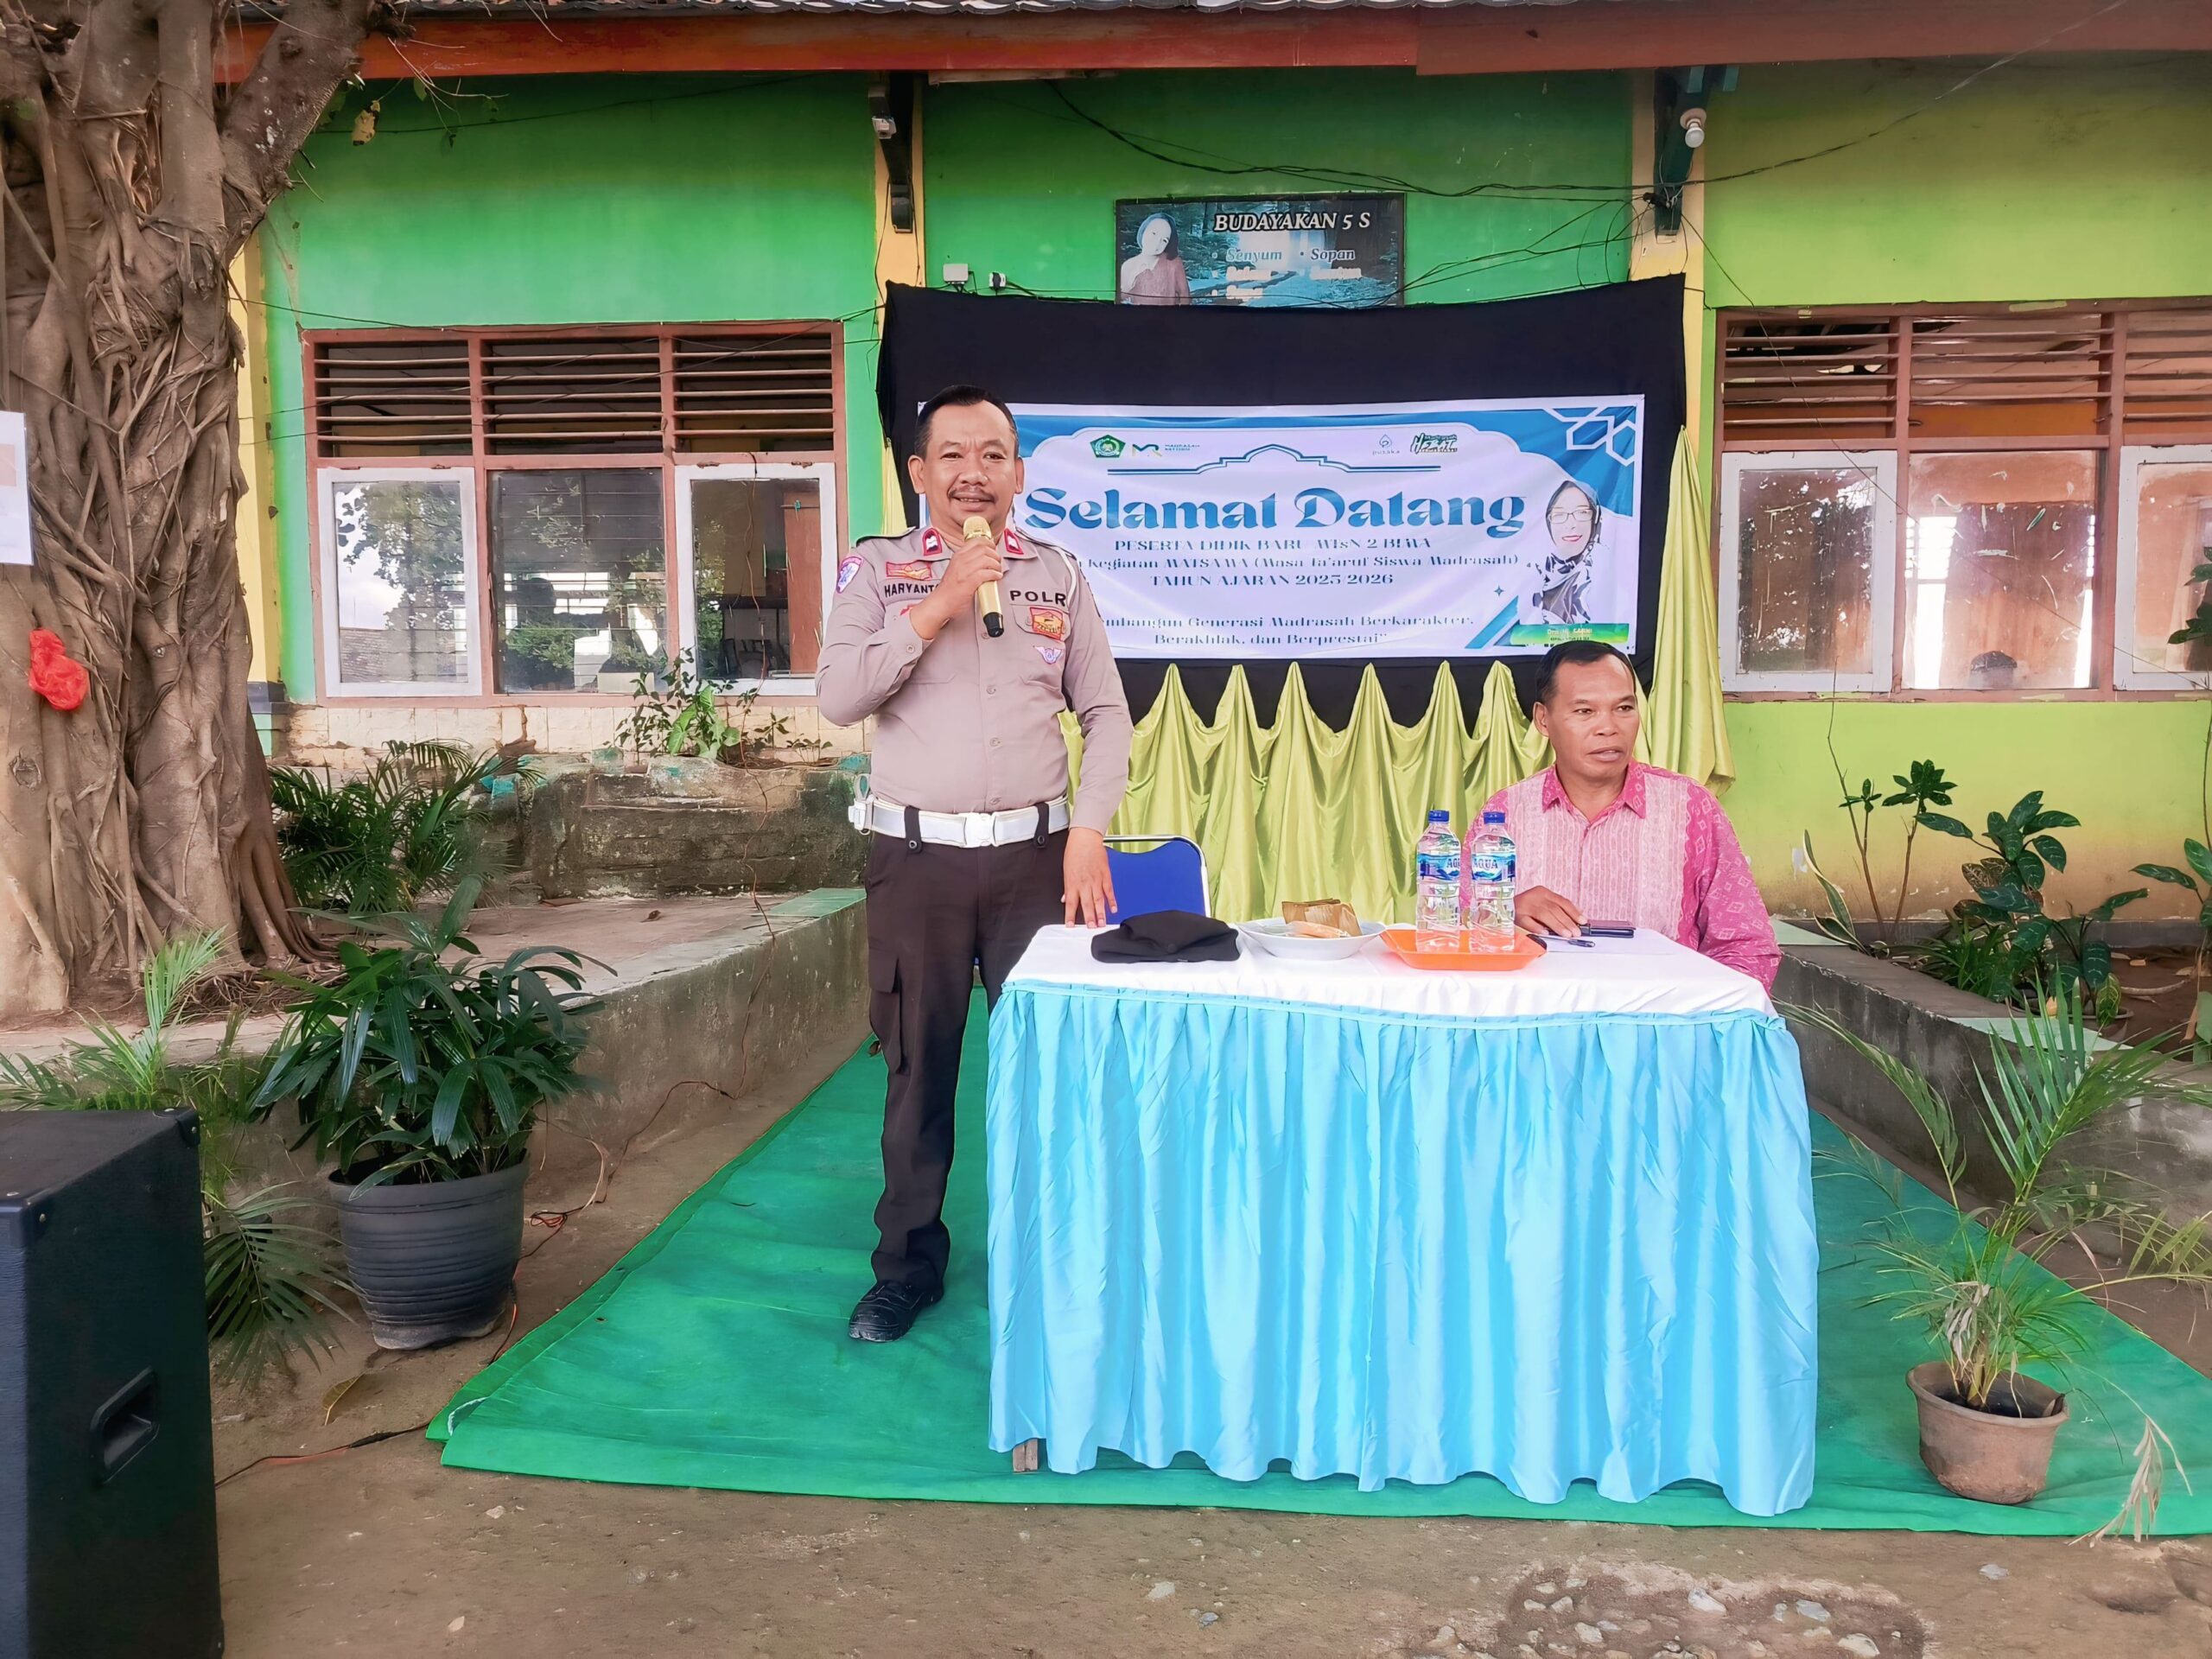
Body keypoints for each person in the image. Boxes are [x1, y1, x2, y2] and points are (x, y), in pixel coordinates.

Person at [817, 385, 1134, 1344]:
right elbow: (839, 695)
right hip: (918, 864)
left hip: (1039, 865)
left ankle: (1058, 1259)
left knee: (1051, 1068)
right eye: (952, 455)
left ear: (1018, 472)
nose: (973, 474)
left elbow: (1106, 713)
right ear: (919, 472)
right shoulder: (878, 572)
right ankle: (908, 1268)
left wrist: (1088, 830)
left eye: (992, 455)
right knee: (919, 1073)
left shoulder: (1057, 574)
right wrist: (940, 603)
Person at [1484, 639, 1779, 989]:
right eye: (1585, 711)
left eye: (1624, 708)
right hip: (1539, 1019)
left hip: (1664, 1018)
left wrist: (1699, 1012)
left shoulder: (1691, 809)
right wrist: (1503, 912)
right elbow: (1450, 934)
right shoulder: (1504, 816)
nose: (1608, 727)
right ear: (1543, 720)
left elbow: (1747, 946)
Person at [1527, 480, 1602, 626]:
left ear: (1595, 517)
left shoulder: (1607, 571)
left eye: (1582, 512)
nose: (1571, 525)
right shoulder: (1533, 573)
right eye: (1559, 515)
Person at [1118, 213, 1192, 306]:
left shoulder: (1174, 263)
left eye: (1164, 240)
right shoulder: (1128, 266)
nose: (1157, 242)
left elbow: (1185, 297)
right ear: (1144, 230)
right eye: (1154, 233)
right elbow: (1121, 300)